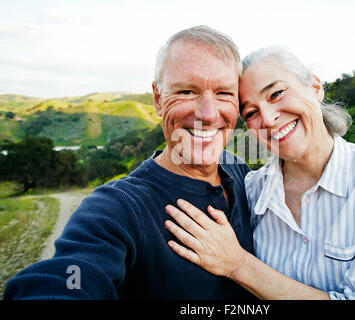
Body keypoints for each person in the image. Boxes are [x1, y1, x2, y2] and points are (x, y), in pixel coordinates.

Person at [3, 26, 255, 300]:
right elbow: (72, 275)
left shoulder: (241, 173)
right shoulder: (117, 207)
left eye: (224, 93)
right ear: (158, 99)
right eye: (186, 91)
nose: (207, 114)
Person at [163, 46, 355, 300]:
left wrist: (238, 264)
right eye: (252, 112)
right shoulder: (251, 191)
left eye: (277, 94)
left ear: (315, 87)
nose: (268, 119)